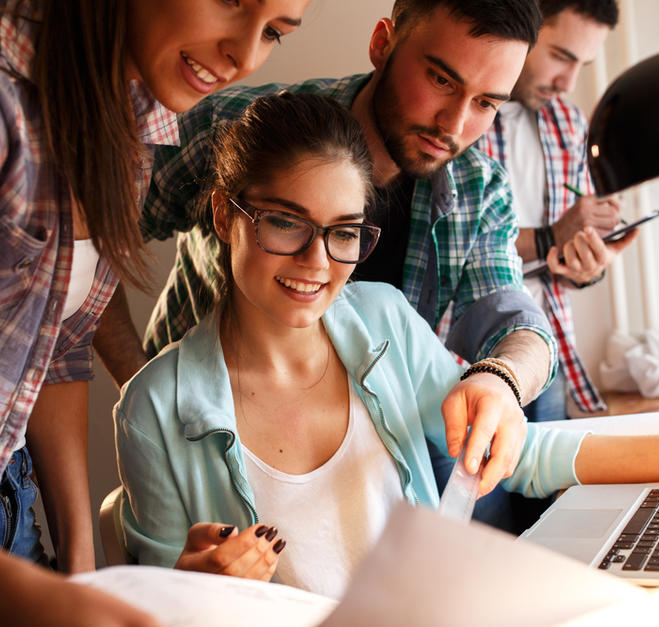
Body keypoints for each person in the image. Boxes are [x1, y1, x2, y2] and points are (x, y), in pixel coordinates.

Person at [115, 91, 659, 600]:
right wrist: (196, 588)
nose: (315, 261)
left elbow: (520, 454)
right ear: (223, 213)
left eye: (343, 232)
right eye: (284, 222)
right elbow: (156, 606)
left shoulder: (383, 321)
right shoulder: (153, 408)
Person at [0, 0, 310, 624]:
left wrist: (81, 572)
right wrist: (23, 596)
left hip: (4, 508)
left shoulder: (139, 115)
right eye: (232, 2)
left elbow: (56, 352)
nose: (245, 56)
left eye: (275, 33)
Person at [99, 0, 555, 533]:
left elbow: (516, 323)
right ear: (383, 43)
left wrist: (502, 379)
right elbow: (87, 234)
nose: (453, 124)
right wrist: (147, 387)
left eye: (486, 103)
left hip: (375, 463)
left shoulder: (478, 189)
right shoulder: (239, 131)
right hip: (210, 465)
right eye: (440, 80)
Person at [476, 0, 632, 421]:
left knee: (550, 488)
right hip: (465, 361)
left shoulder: (570, 121)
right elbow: (459, 245)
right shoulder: (461, 114)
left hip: (549, 346)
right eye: (561, 56)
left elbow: (568, 248)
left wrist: (588, 264)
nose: (568, 81)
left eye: (583, 63)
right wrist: (552, 236)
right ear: (522, 26)